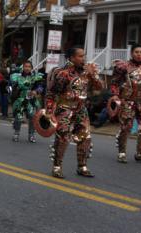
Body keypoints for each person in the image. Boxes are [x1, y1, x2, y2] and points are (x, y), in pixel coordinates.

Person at [45, 47, 102, 178]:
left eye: (84, 56)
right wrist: (49, 111)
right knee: (63, 137)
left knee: (85, 137)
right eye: (80, 56)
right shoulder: (62, 73)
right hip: (64, 108)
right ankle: (57, 167)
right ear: (71, 58)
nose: (84, 58)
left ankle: (82, 166)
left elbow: (99, 88)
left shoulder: (87, 72)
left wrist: (93, 75)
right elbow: (51, 93)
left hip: (81, 109)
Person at [111, 44, 141, 163]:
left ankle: (139, 153)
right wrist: (115, 95)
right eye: (137, 52)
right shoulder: (123, 67)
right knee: (126, 127)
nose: (139, 54)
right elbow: (114, 83)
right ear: (131, 53)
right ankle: (122, 152)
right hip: (127, 100)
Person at [10, 61, 43, 143]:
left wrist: (36, 91)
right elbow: (10, 87)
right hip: (19, 100)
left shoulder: (35, 77)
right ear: (23, 67)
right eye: (25, 66)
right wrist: (15, 89)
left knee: (32, 117)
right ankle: (16, 134)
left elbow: (41, 87)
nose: (27, 68)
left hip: (30, 101)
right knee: (18, 118)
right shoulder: (16, 77)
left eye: (29, 66)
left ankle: (31, 135)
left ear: (31, 68)